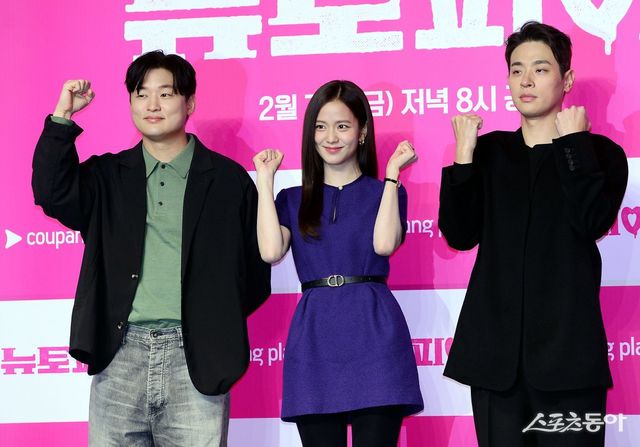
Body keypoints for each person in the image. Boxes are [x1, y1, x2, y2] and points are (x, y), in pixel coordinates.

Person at [32, 50, 270, 446]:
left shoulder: (229, 182)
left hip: (197, 361)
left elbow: (253, 274)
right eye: (141, 94)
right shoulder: (107, 176)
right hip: (120, 357)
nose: (152, 105)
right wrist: (63, 117)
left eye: (166, 93)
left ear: (189, 103)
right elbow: (51, 193)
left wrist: (210, 321)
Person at [438, 21, 628, 447]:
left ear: (567, 79)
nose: (526, 80)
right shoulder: (489, 152)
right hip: (495, 360)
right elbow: (459, 233)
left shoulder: (600, 154)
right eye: (516, 70)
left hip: (569, 358)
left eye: (540, 69)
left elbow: (591, 221)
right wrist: (464, 157)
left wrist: (574, 145)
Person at [252, 79, 423, 447]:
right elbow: (270, 251)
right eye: (321, 126)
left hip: (374, 333)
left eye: (342, 126)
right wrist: (264, 182)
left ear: (362, 133)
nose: (331, 137)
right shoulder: (292, 199)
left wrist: (392, 176)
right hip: (315, 336)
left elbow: (384, 244)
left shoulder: (385, 191)